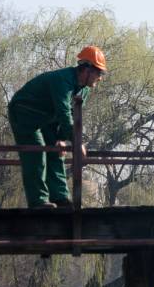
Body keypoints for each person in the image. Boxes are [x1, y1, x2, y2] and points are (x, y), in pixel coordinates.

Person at [7, 46, 107, 208]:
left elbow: (72, 116)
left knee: (56, 150)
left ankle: (59, 197)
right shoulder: (63, 81)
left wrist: (62, 139)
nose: (100, 78)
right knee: (37, 151)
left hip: (47, 118)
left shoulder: (83, 90)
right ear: (87, 69)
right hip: (24, 112)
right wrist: (76, 142)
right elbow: (63, 113)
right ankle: (38, 201)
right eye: (99, 73)